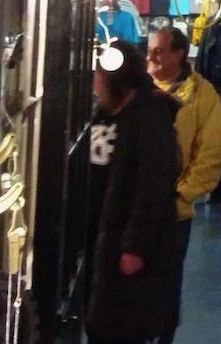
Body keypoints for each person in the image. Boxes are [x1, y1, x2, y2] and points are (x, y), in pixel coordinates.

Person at [86, 41, 182, 344]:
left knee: (124, 325)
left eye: (99, 75)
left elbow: (153, 186)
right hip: (108, 235)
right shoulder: (108, 114)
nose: (95, 82)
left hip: (129, 242)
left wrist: (135, 246)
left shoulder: (149, 116)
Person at [147, 25, 221, 344]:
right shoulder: (140, 89)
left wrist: (182, 195)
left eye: (159, 51)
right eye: (150, 51)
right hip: (136, 208)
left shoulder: (201, 94)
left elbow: (211, 152)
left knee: (166, 282)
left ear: (179, 55)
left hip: (173, 211)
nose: (151, 57)